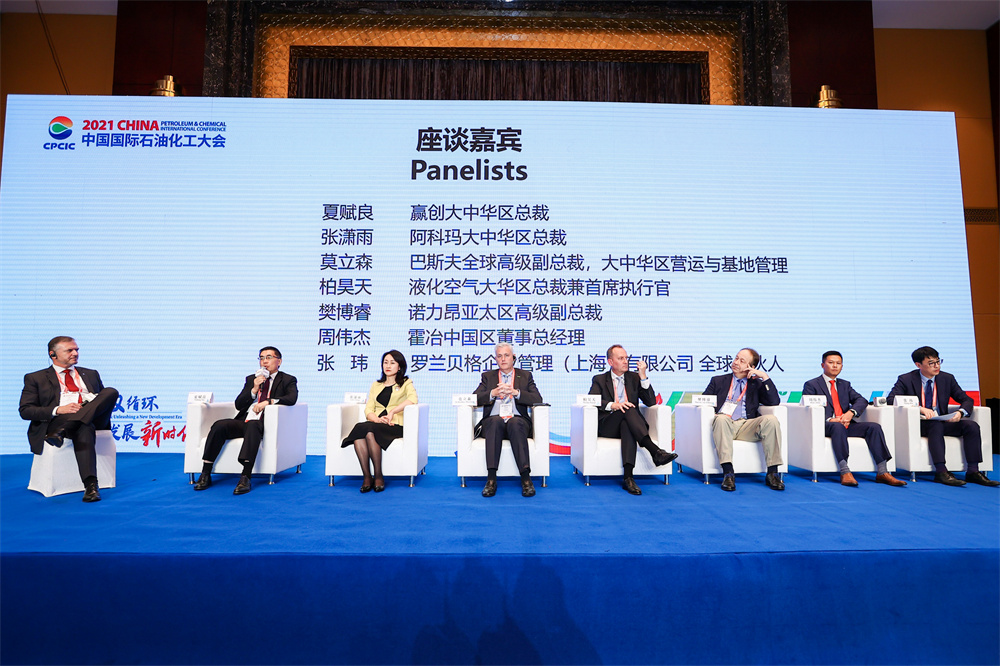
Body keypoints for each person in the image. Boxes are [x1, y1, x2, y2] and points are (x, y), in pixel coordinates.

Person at [19, 336, 120, 502]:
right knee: (84, 427)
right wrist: (58, 409)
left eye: (76, 350)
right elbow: (25, 410)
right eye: (69, 350)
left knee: (110, 391)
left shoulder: (91, 374)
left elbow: (101, 403)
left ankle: (66, 429)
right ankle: (91, 486)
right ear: (53, 354)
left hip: (94, 418)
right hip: (60, 419)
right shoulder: (35, 378)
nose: (75, 353)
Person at [193, 346, 298, 495]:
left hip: (265, 424)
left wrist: (268, 402)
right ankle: (205, 473)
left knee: (253, 426)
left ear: (279, 361)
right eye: (261, 358)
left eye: (269, 357)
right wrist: (254, 389)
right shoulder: (251, 379)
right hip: (245, 420)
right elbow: (239, 404)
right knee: (219, 425)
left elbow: (291, 398)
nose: (264, 361)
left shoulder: (287, 379)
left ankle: (245, 477)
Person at [886, 346, 997, 487]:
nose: (936, 366)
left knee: (971, 426)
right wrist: (919, 409)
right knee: (935, 425)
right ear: (918, 365)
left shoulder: (947, 378)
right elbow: (891, 399)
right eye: (931, 363)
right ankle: (941, 471)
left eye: (938, 362)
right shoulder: (906, 379)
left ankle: (973, 471)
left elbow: (966, 399)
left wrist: (960, 412)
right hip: (919, 424)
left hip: (942, 421)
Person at [802, 351, 906, 487]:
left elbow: (861, 400)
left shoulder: (845, 384)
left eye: (838, 363)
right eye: (831, 362)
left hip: (846, 423)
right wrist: (829, 419)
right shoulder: (812, 384)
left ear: (842, 366)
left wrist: (851, 412)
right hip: (825, 425)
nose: (835, 366)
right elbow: (809, 406)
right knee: (838, 426)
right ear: (823, 365)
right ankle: (845, 471)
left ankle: (882, 472)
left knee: (874, 427)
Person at [588, 344, 676, 495]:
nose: (625, 361)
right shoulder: (600, 379)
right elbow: (592, 400)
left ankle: (628, 478)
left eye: (626, 358)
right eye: (621, 358)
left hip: (632, 425)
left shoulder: (634, 378)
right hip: (608, 425)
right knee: (628, 408)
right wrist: (613, 405)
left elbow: (651, 402)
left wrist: (643, 376)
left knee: (627, 424)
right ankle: (655, 451)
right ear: (610, 362)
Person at [702, 347, 784, 491]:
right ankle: (728, 473)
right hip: (724, 424)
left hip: (747, 425)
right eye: (736, 358)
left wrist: (764, 377)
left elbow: (774, 401)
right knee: (721, 419)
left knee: (771, 420)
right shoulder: (718, 380)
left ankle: (772, 473)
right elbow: (704, 401)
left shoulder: (756, 384)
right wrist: (712, 413)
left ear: (751, 367)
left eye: (742, 361)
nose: (736, 362)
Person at [473, 343, 543, 497]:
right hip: (493, 424)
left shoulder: (525, 376)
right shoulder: (488, 377)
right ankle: (491, 479)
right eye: (499, 356)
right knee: (495, 421)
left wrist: (516, 392)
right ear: (495, 359)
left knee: (515, 422)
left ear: (513, 358)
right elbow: (474, 398)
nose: (503, 359)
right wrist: (492, 393)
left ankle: (526, 479)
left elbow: (537, 399)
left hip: (518, 422)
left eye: (506, 355)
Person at [341, 350, 418, 493]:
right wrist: (376, 419)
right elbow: (369, 409)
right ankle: (367, 477)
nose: (388, 366)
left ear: (399, 367)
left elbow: (412, 399)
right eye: (385, 362)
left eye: (392, 363)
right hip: (376, 423)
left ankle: (378, 476)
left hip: (395, 424)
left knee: (366, 430)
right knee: (365, 431)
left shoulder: (406, 383)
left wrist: (392, 412)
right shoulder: (376, 385)